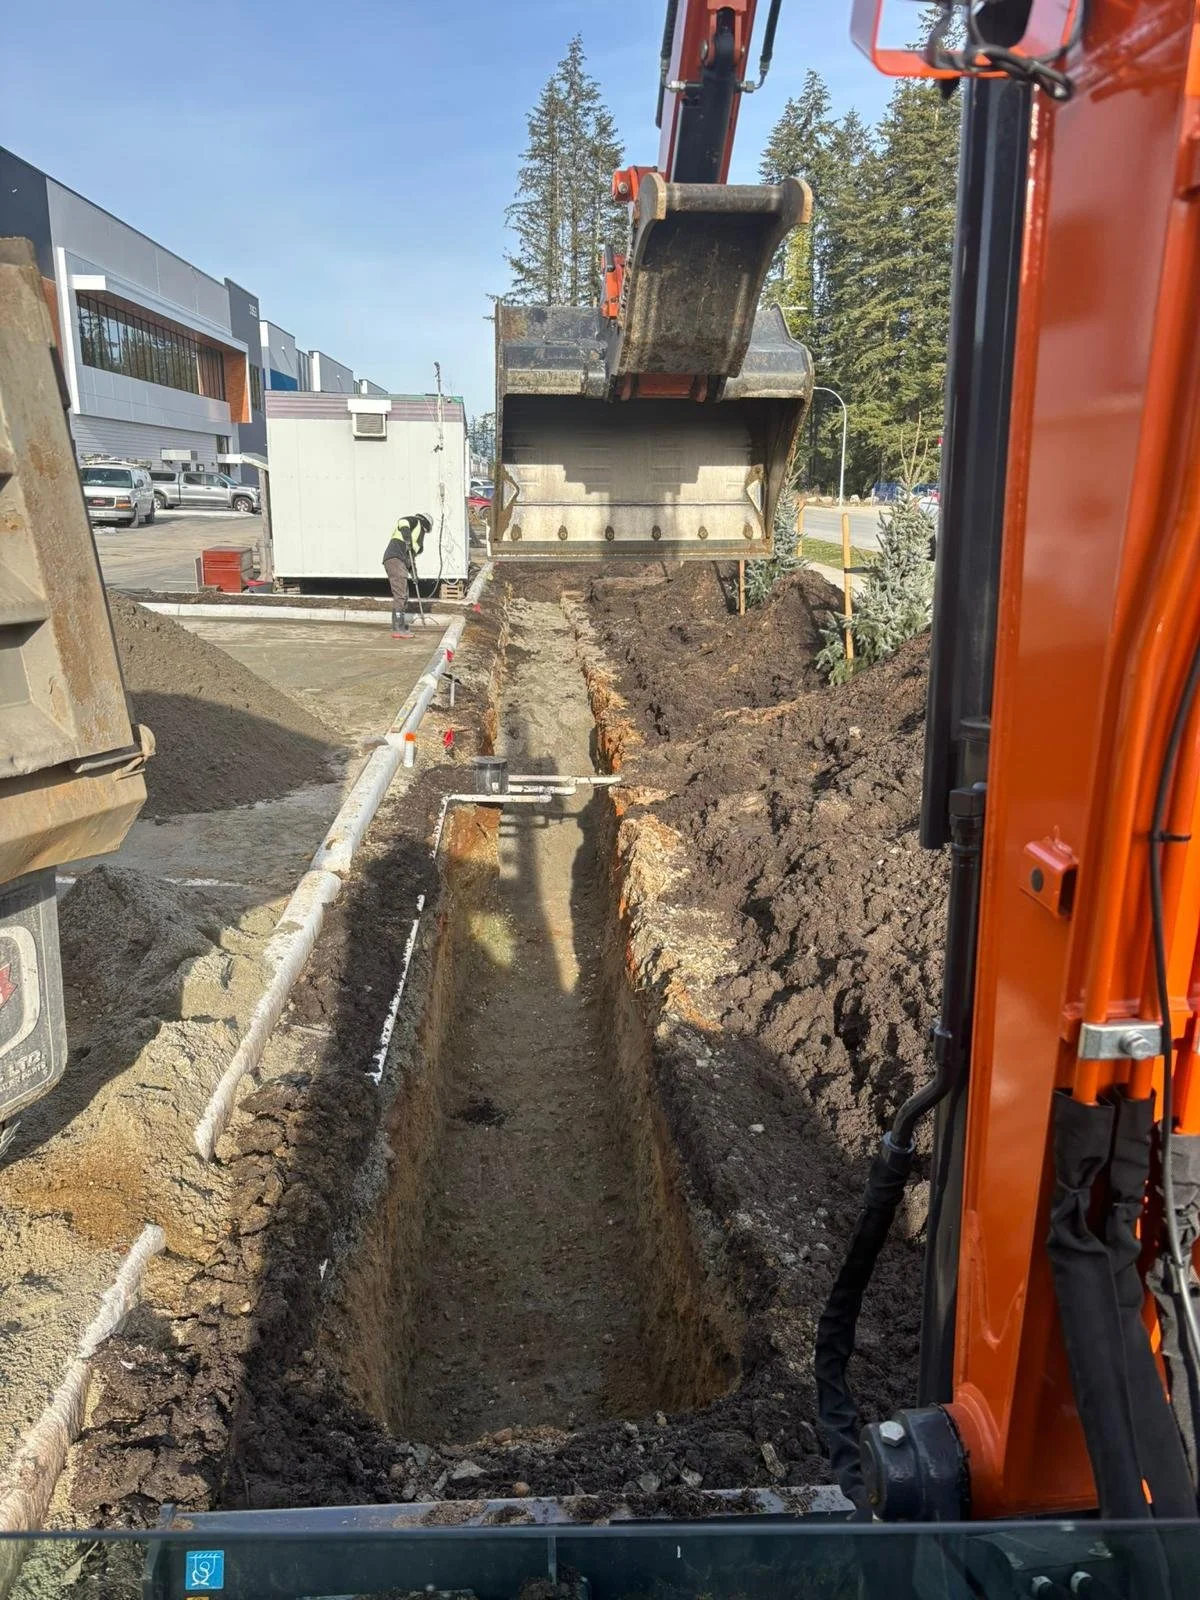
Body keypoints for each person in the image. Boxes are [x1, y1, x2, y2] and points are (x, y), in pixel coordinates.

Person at [382, 513, 431, 639]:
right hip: (395, 558)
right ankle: (398, 628)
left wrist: (414, 573)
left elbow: (410, 558)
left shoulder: (416, 541)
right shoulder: (415, 521)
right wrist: (407, 537)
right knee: (401, 594)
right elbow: (403, 522)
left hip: (400, 560)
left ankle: (398, 625)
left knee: (404, 593)